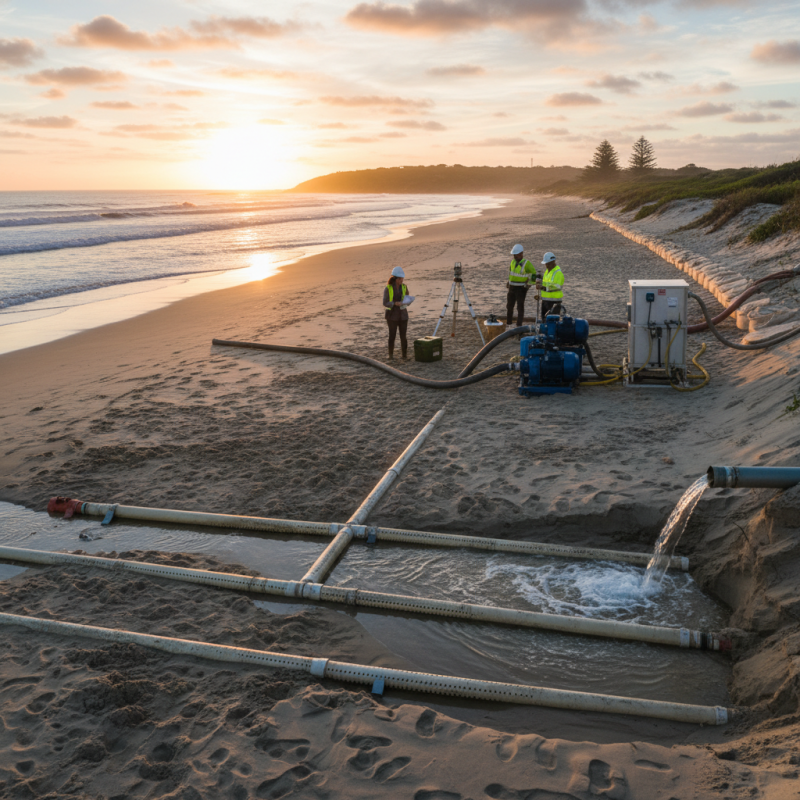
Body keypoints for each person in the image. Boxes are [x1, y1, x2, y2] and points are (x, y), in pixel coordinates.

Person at [506, 244, 538, 327]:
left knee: (520, 307)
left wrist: (529, 284)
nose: (514, 256)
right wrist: (508, 282)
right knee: (509, 306)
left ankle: (518, 325)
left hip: (521, 288)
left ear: (521, 254)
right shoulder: (512, 262)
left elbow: (533, 274)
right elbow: (510, 273)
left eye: (516, 255)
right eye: (514, 255)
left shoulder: (526, 263)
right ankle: (508, 323)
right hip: (512, 287)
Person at [383, 266, 409, 359]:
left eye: (402, 278)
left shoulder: (404, 287)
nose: (402, 280)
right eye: (400, 279)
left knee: (403, 337)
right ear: (395, 279)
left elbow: (407, 298)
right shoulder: (388, 288)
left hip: (403, 315)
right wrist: (394, 303)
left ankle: (404, 356)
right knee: (392, 336)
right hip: (392, 317)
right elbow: (385, 302)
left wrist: (406, 302)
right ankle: (390, 355)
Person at [540, 252, 564, 318]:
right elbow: (545, 283)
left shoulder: (558, 273)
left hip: (554, 301)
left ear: (553, 262)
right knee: (544, 319)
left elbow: (557, 287)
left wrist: (544, 288)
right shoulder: (547, 271)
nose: (546, 265)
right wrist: (540, 285)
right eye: (546, 263)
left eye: (548, 263)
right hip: (545, 300)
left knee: (553, 321)